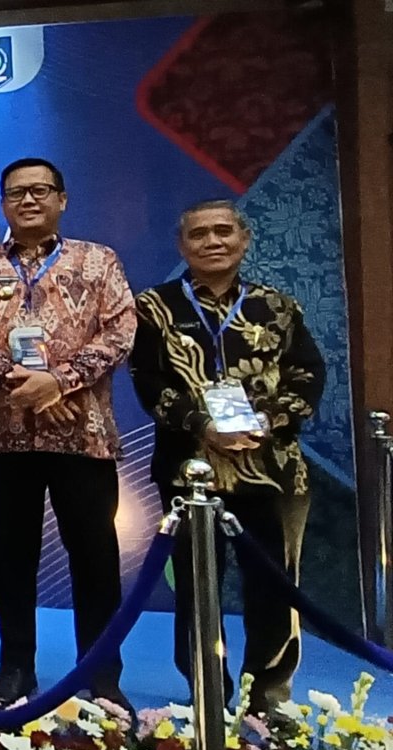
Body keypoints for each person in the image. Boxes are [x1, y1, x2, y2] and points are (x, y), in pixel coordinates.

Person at [0, 158, 136, 710]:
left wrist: (58, 382)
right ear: (3, 204)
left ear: (62, 199)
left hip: (84, 434)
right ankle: (15, 668)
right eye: (16, 193)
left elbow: (121, 330)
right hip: (8, 437)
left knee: (95, 557)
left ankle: (101, 674)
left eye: (40, 190)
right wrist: (18, 382)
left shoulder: (98, 260)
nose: (28, 201)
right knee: (11, 556)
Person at [129, 199, 323, 710]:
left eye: (223, 231)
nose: (212, 242)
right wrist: (203, 426)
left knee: (275, 587)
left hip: (271, 471)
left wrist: (268, 421)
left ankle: (268, 699)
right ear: (181, 245)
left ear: (244, 238)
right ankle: (207, 695)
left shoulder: (277, 307)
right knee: (197, 589)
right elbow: (148, 381)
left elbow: (308, 376)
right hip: (190, 472)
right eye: (199, 234)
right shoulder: (154, 308)